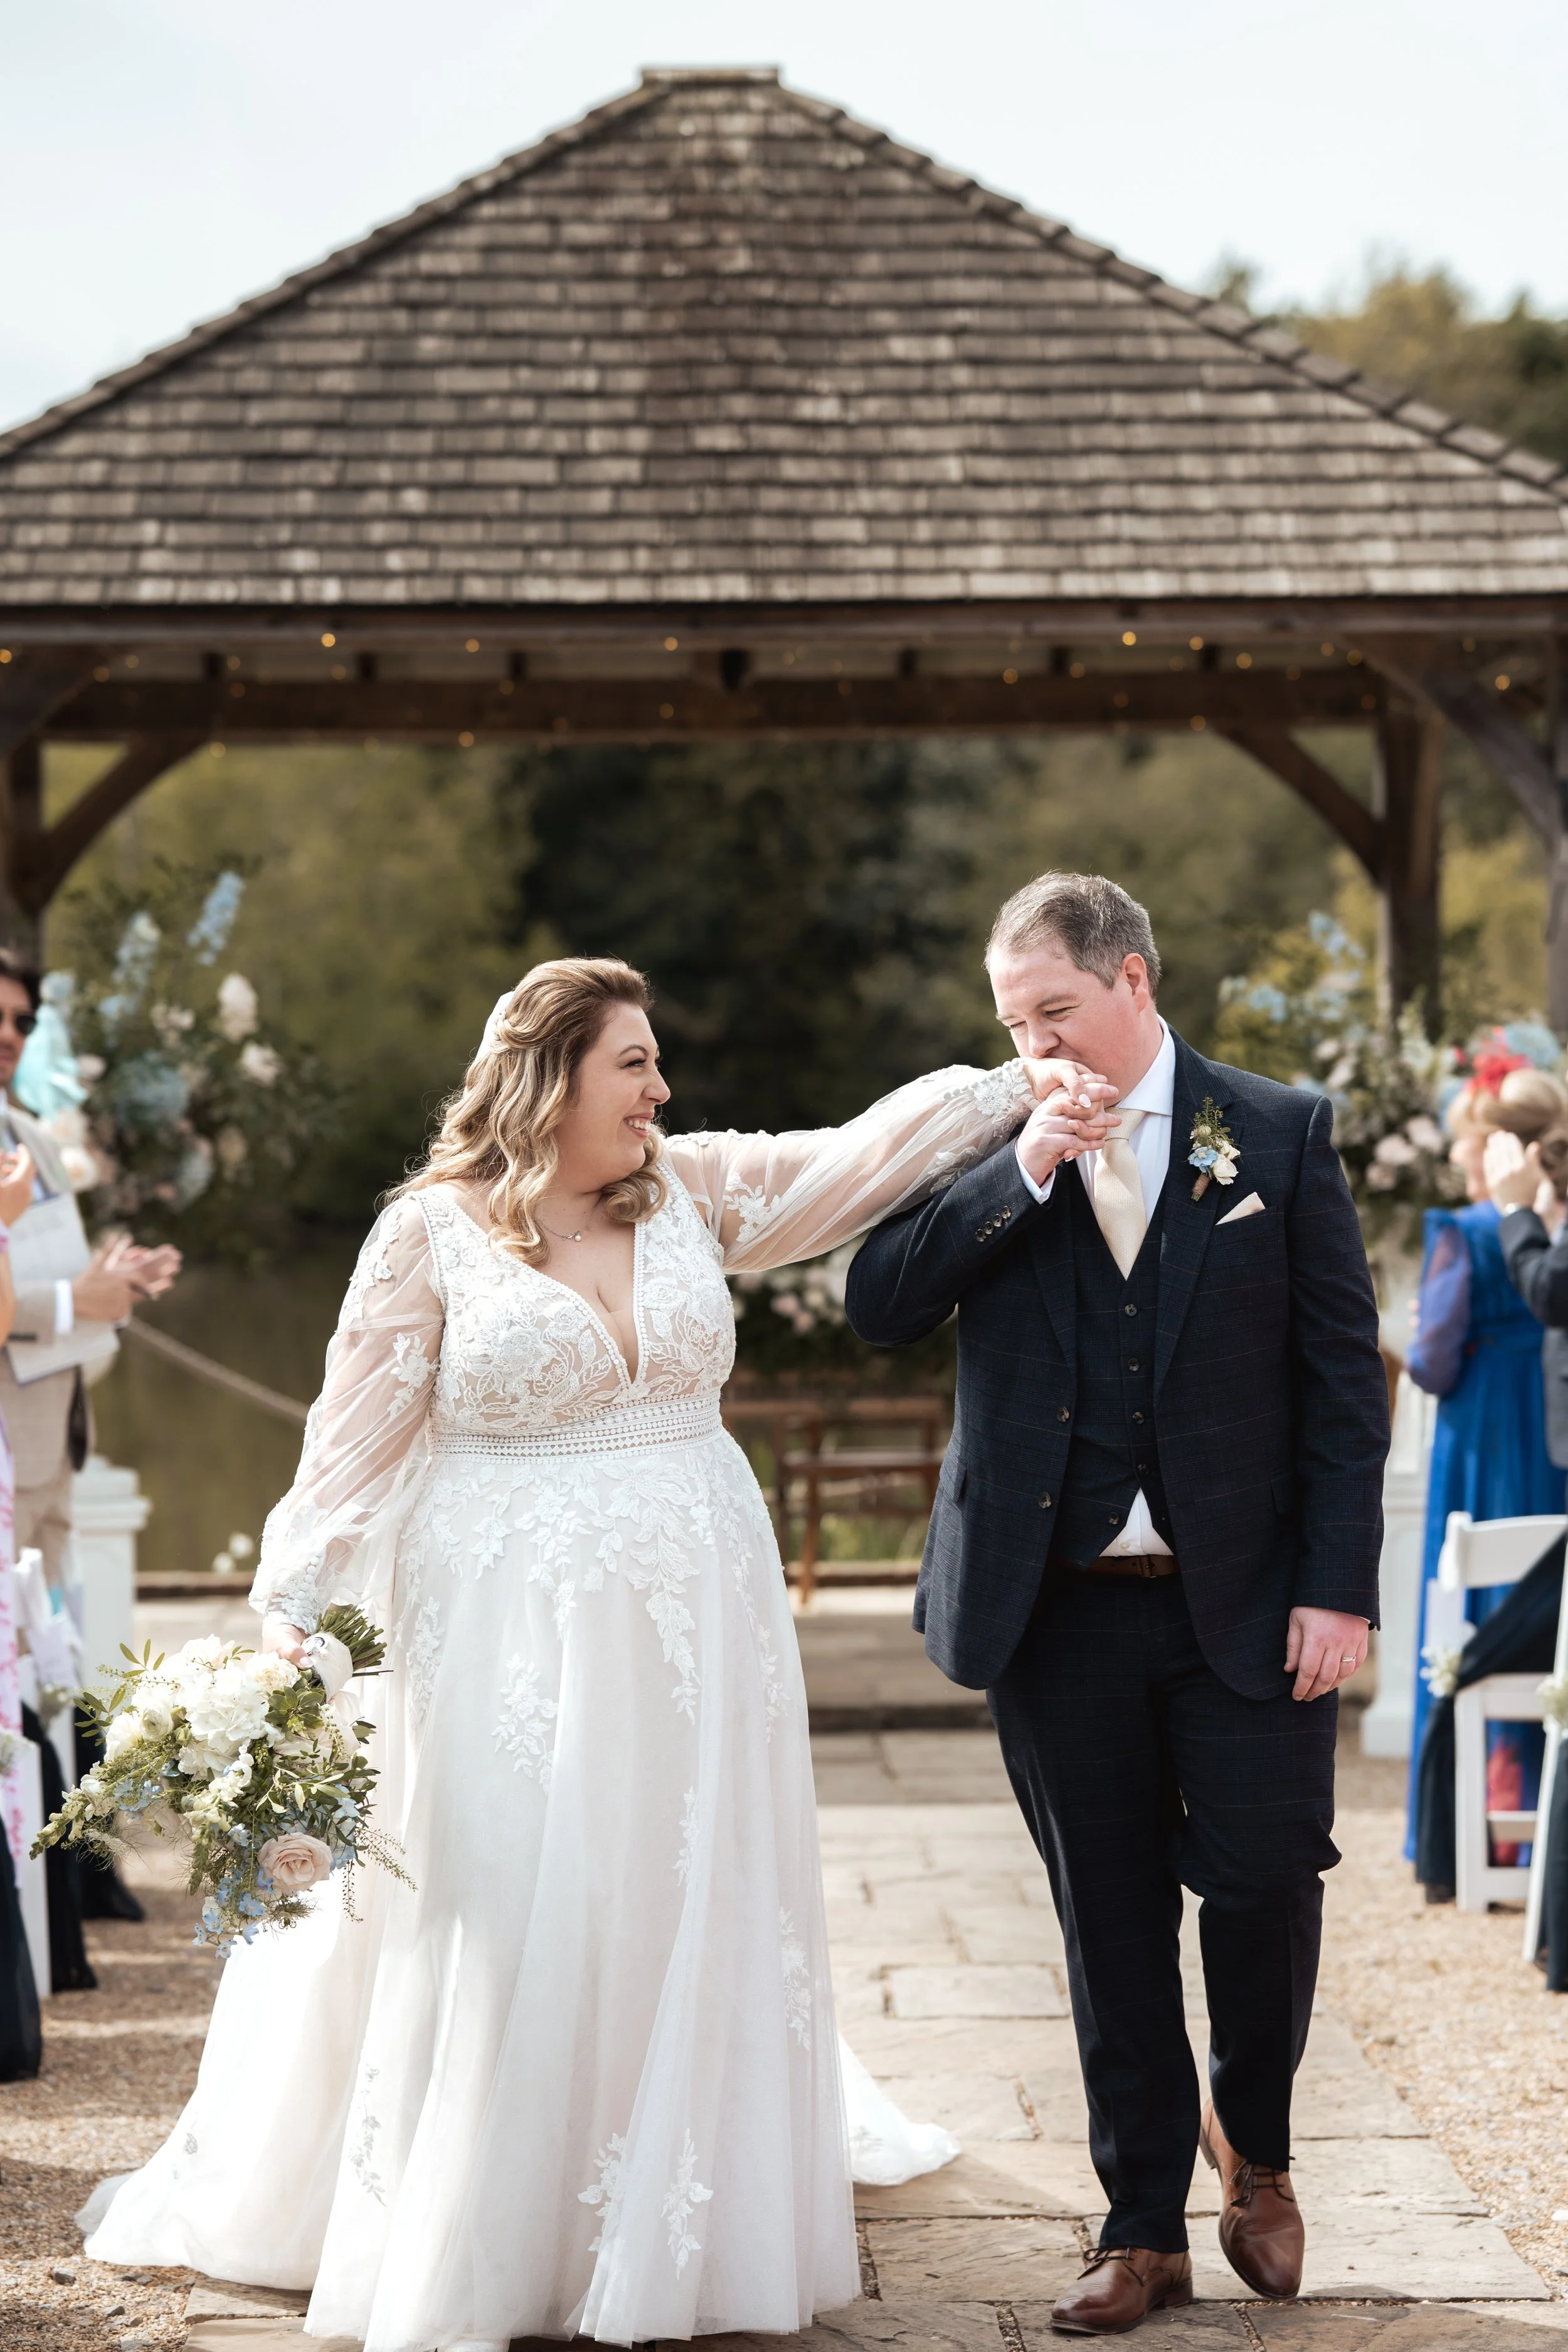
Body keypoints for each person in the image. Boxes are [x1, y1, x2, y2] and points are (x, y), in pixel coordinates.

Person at [83, 957, 1094, 2351]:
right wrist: (287, 1615)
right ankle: (498, 2218)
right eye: (634, 1064)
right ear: (552, 1075)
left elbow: (848, 1164)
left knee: (672, 1884)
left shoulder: (686, 1188)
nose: (661, 1090)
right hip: (504, 1629)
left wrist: (1005, 1091)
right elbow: (351, 1443)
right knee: (509, 1893)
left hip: (700, 1623)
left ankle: (669, 2198)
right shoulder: (426, 1234)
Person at [845, 872, 1389, 2336]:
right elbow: (876, 1299)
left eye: (1059, 1012)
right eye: (1015, 1020)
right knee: (1110, 1918)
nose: (1040, 1044)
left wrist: (1340, 1587)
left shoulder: (1275, 1131)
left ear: (1135, 981)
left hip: (1251, 1599)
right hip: (1055, 1602)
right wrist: (1016, 1162)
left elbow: (1344, 1384)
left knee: (1268, 1879)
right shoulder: (985, 1134)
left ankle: (1256, 2147)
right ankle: (1141, 2223)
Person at [1404, 1066, 1567, 1868]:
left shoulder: (1467, 1230)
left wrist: (1416, 1326)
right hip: (1553, 1435)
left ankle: (1472, 1825)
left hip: (1481, 1438)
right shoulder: (1554, 1221)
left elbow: (1431, 1365)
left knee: (1471, 1603)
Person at [0, 950, 181, 1590]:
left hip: (61, 1436)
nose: (8, 1036)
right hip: (4, 1450)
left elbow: (46, 1266)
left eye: (21, 1023)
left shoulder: (35, 1138)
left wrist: (109, 1281)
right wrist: (75, 1302)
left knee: (49, 1672)